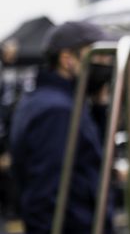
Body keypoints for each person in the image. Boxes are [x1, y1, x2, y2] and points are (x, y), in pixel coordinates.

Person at [9, 21, 114, 233]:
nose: (106, 64)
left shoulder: (55, 100)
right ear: (67, 59)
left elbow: (87, 158)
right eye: (99, 56)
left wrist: (99, 108)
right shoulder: (57, 110)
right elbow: (42, 196)